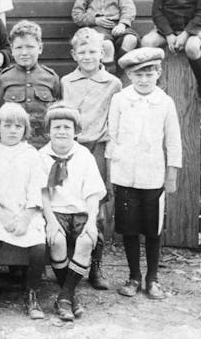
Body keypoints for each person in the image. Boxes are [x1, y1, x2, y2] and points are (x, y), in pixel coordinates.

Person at [109, 47, 181, 300]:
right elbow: (112, 137)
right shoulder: (120, 99)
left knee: (152, 230)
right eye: (138, 74)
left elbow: (173, 141)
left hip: (153, 176)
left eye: (149, 73)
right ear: (129, 75)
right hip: (125, 173)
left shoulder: (165, 102)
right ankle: (133, 277)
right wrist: (111, 172)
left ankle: (152, 278)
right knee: (129, 229)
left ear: (158, 73)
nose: (143, 79)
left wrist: (171, 174)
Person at [61, 28, 122, 289]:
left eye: (93, 51)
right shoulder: (65, 82)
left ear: (103, 53)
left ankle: (95, 267)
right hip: (72, 148)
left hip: (98, 148)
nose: (88, 56)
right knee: (67, 203)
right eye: (82, 52)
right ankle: (67, 264)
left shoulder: (113, 83)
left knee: (97, 208)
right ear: (74, 54)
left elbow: (114, 120)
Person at [0, 102, 47, 321]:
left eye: (18, 126)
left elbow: (37, 189)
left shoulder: (31, 154)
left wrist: (26, 218)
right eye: (7, 125)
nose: (12, 130)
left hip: (27, 213)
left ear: (25, 130)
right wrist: (3, 216)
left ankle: (31, 295)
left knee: (38, 247)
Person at [39, 103, 106, 321]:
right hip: (55, 211)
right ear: (48, 131)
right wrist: (50, 221)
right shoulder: (41, 156)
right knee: (56, 240)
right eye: (56, 127)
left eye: (67, 127)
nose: (61, 131)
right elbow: (43, 194)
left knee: (87, 240)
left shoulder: (84, 155)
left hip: (81, 212)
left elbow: (93, 193)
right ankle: (70, 297)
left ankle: (65, 296)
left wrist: (91, 222)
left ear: (76, 131)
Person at [0, 20, 61, 148]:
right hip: (14, 143)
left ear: (40, 48)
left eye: (30, 47)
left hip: (44, 143)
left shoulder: (51, 78)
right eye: (19, 47)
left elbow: (56, 114)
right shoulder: (4, 79)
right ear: (12, 50)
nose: (24, 53)